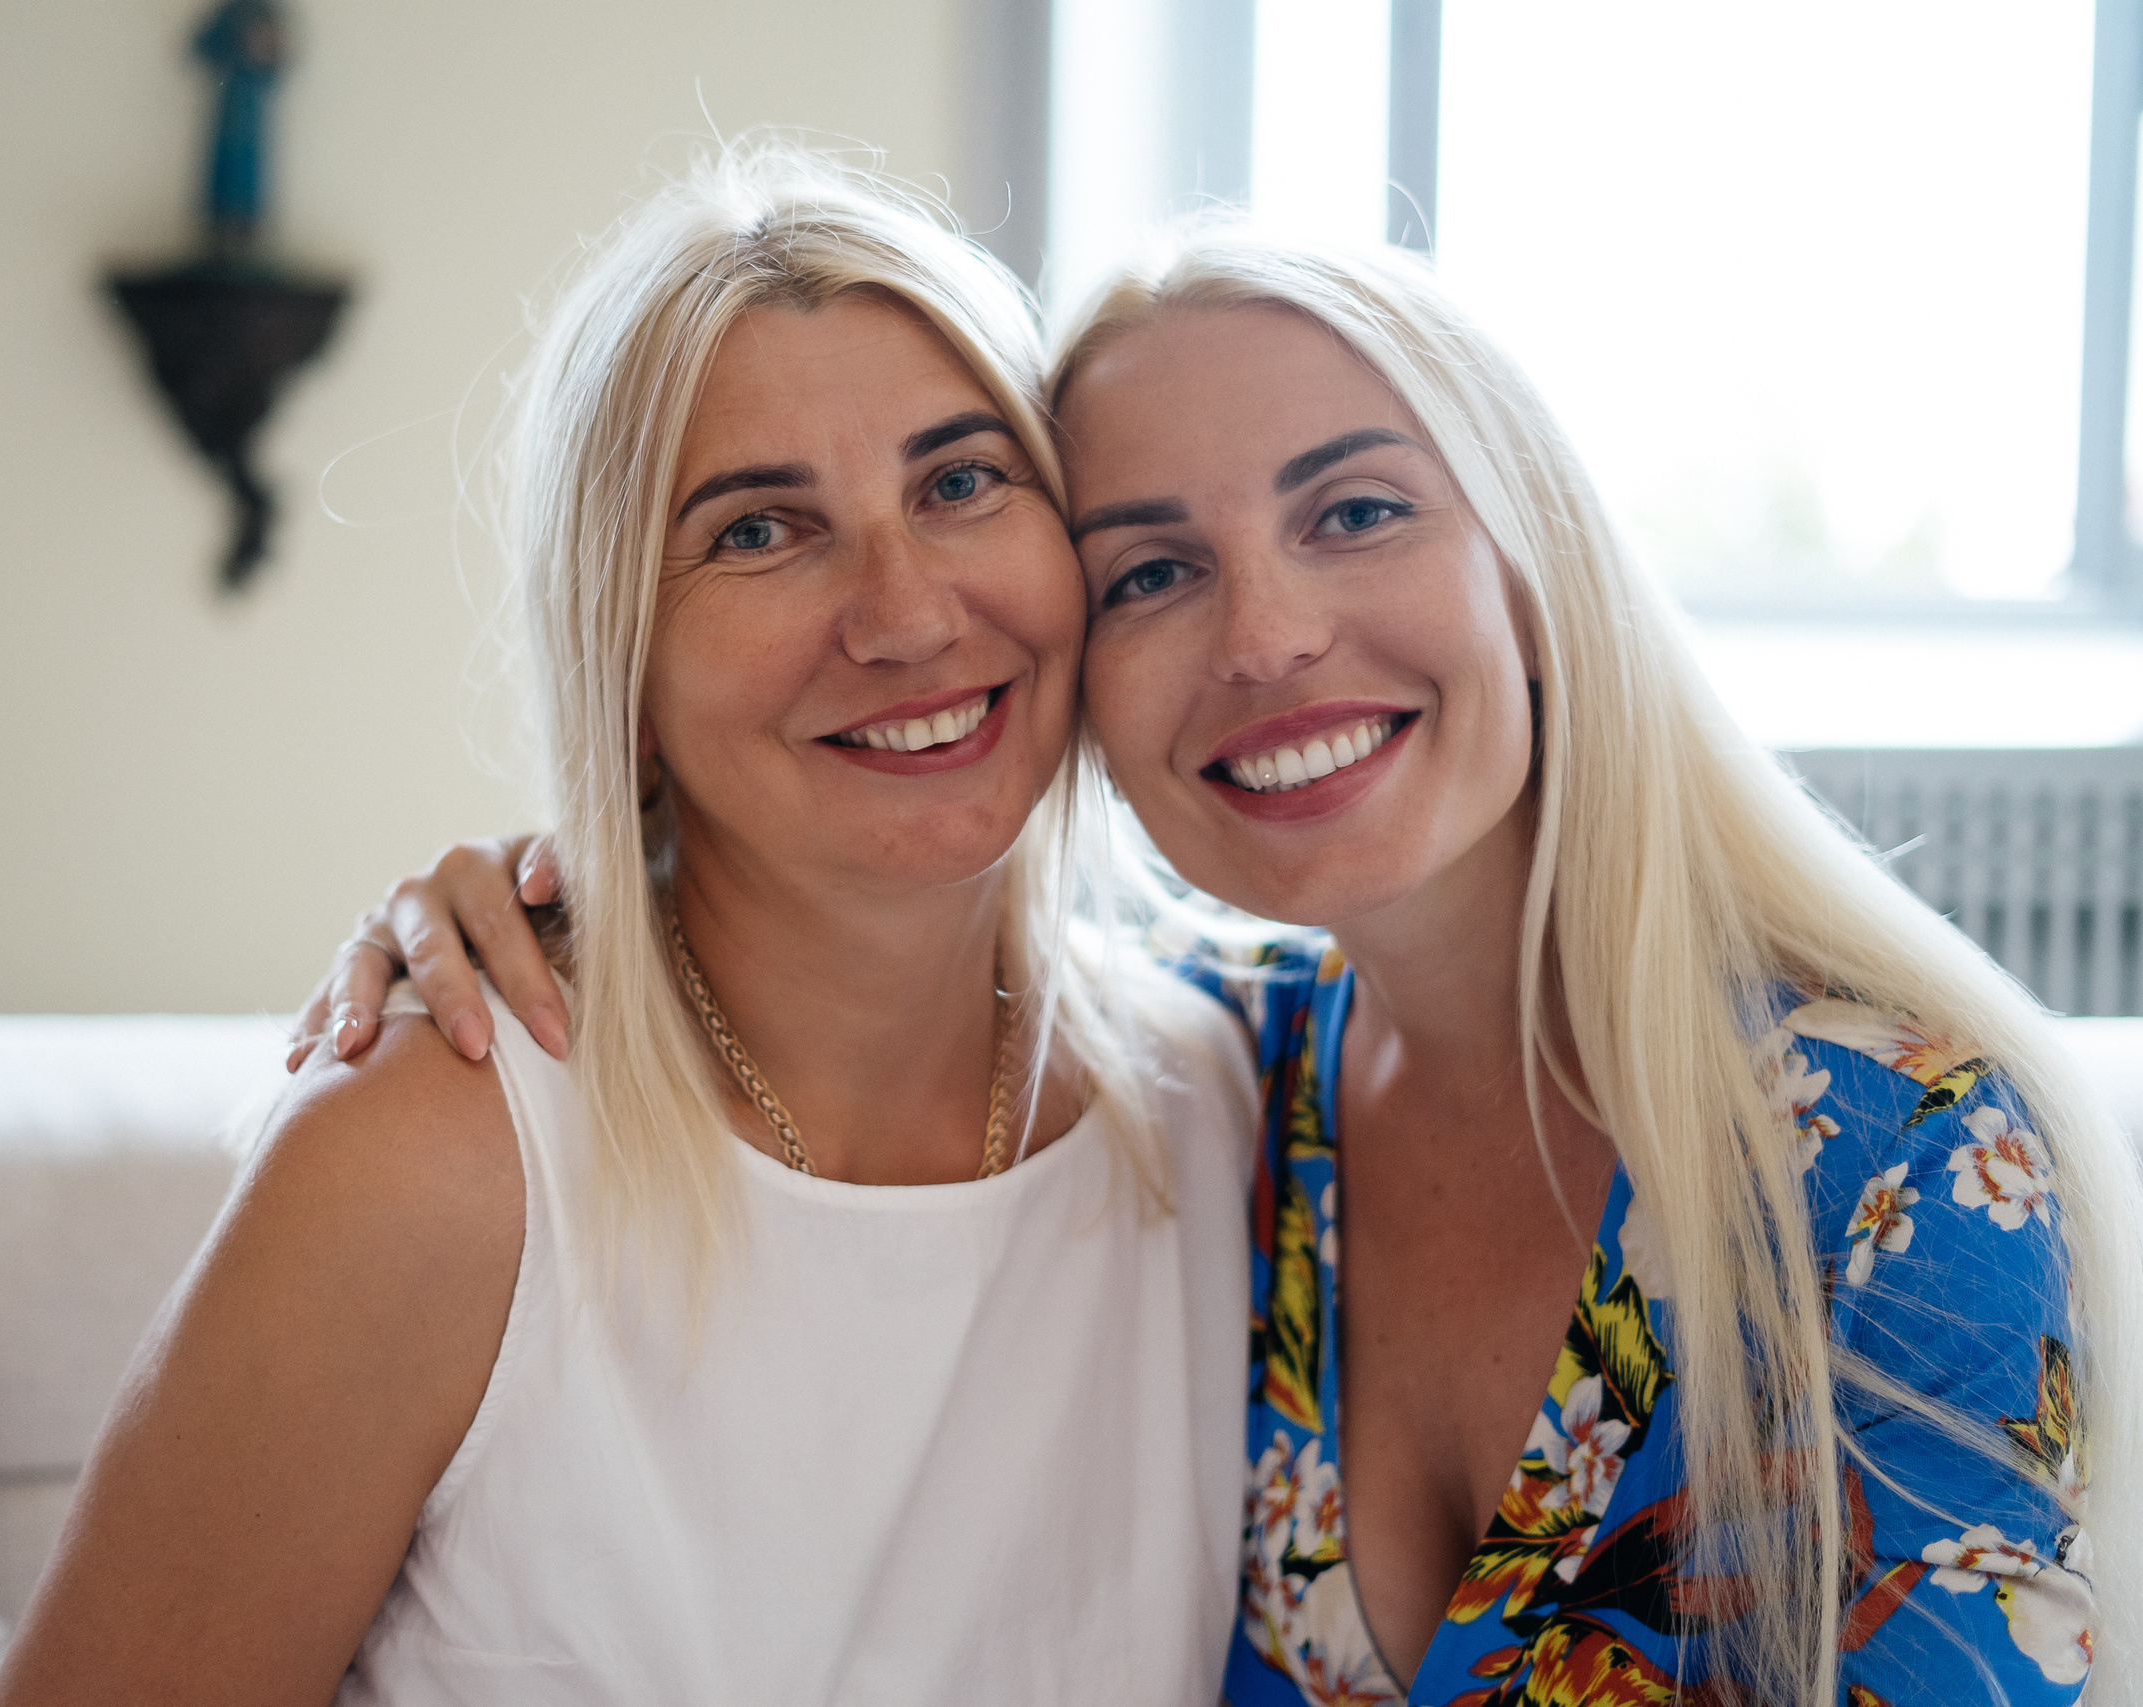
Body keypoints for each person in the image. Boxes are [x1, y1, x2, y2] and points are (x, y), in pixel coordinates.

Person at [300, 229, 2140, 1704]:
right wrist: (551, 888)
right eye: (1155, 572)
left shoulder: (1899, 1155)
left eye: (1355, 511)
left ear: (1534, 562)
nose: (1265, 637)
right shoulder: (1216, 1098)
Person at [0, 149, 1262, 1707]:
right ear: (620, 668)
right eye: (754, 532)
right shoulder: (426, 1160)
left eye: (959, 482)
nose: (908, 613)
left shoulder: (1220, 1102)